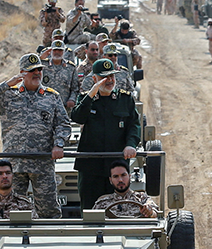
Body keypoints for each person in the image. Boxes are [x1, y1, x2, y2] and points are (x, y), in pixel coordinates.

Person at [0, 53, 71, 218]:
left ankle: (48, 240)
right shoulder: (8, 95)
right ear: (21, 72)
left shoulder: (51, 96)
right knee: (12, 209)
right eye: (31, 70)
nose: (36, 73)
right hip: (15, 164)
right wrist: (6, 85)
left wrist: (59, 144)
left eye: (39, 70)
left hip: (42, 163)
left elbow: (63, 123)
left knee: (48, 210)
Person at [70, 59, 141, 209]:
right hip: (91, 167)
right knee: (90, 210)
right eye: (104, 77)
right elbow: (77, 117)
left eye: (112, 76)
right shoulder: (86, 99)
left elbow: (134, 125)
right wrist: (91, 94)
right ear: (95, 79)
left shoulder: (125, 99)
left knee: (119, 209)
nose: (109, 80)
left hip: (116, 167)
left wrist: (130, 144)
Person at [93, 159, 159, 218]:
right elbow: (91, 222)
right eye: (116, 176)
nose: (120, 180)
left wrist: (149, 212)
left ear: (129, 177)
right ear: (110, 180)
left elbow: (156, 215)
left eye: (123, 175)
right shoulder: (102, 203)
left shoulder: (143, 199)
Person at [42, 40, 79, 110]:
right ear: (51, 51)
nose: (57, 52)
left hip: (64, 107)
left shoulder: (71, 67)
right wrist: (40, 57)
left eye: (60, 50)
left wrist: (72, 99)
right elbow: (29, 66)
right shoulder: (43, 65)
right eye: (55, 50)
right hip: (45, 105)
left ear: (64, 52)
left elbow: (75, 88)